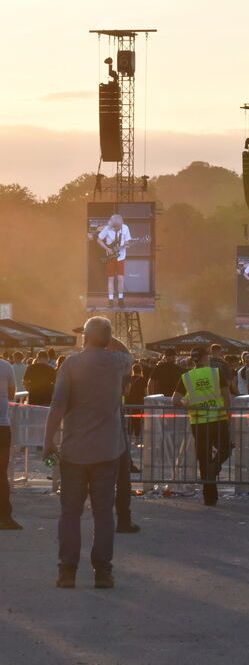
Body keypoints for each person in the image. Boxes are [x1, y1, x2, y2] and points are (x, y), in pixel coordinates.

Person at [42, 317, 132, 588]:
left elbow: (58, 406)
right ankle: (103, 571)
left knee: (70, 512)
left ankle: (67, 570)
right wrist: (106, 336)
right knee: (103, 513)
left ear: (86, 337)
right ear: (106, 338)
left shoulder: (71, 364)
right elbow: (128, 353)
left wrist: (48, 440)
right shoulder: (116, 363)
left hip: (74, 452)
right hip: (107, 451)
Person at [172, 347, 234, 506]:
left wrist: (189, 404)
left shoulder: (186, 377)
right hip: (218, 420)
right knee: (226, 449)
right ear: (205, 357)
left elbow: (175, 400)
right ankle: (215, 466)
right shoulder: (216, 373)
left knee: (204, 458)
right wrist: (227, 417)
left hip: (198, 423)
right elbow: (226, 397)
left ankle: (209, 497)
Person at [0, 353, 20, 530]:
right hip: (2, 425)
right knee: (1, 473)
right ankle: (5, 516)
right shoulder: (6, 366)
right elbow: (12, 394)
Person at [95, 214, 131, 308]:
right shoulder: (107, 228)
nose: (118, 228)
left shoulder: (125, 228)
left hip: (121, 257)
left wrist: (126, 245)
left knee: (120, 279)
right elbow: (98, 240)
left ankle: (121, 300)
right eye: (116, 226)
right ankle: (110, 301)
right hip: (110, 257)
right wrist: (107, 249)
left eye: (119, 226)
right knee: (110, 279)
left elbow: (127, 242)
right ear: (112, 225)